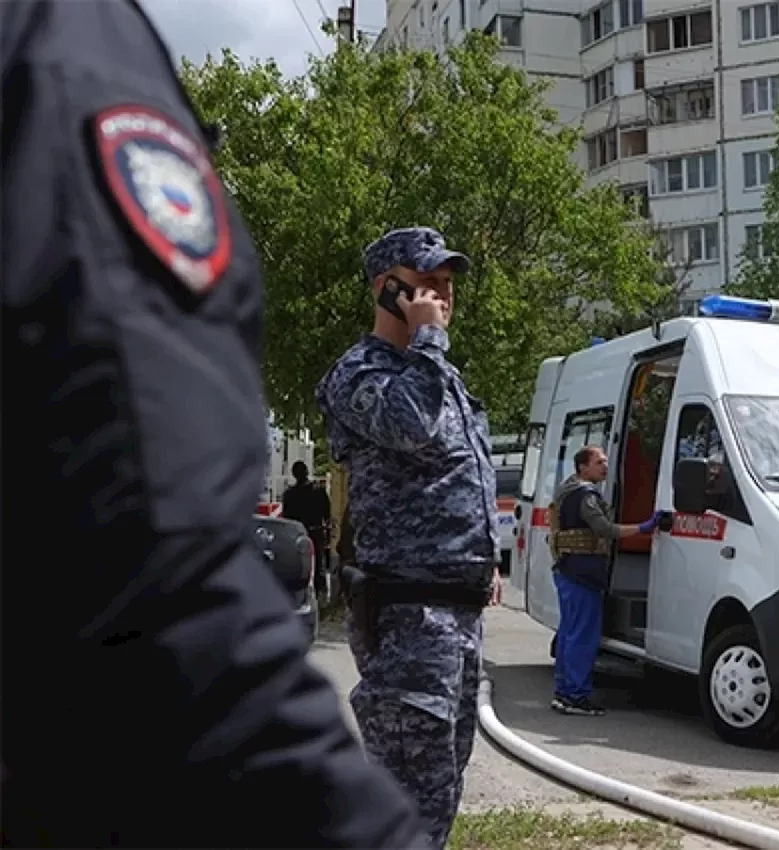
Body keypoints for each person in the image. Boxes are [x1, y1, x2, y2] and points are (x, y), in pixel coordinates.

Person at [0, 1, 428, 846]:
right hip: (394, 612)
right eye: (419, 281)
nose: (436, 297)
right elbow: (152, 600)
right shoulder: (65, 48)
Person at [315, 225, 502, 849]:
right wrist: (428, 341)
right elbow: (411, 428)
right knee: (407, 800)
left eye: (447, 285)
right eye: (426, 283)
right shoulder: (361, 372)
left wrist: (485, 560)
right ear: (386, 288)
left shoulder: (438, 372)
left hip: (457, 612)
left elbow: (462, 471)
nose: (441, 297)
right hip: (407, 616)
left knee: (441, 791)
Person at [548, 445, 666, 716]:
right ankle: (576, 697)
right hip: (582, 572)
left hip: (567, 569)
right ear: (583, 467)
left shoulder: (566, 490)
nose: (605, 467)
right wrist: (644, 527)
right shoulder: (586, 496)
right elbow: (605, 529)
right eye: (599, 462)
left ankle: (564, 692)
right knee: (582, 636)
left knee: (569, 633)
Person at [282, 460, 332, 600]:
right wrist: (327, 530)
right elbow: (327, 513)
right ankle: (320, 593)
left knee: (299, 564)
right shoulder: (318, 490)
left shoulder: (289, 494)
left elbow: (287, 517)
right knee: (319, 564)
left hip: (297, 533)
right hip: (315, 530)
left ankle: (301, 594)